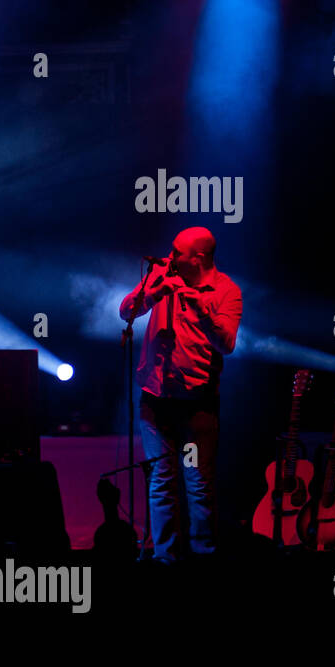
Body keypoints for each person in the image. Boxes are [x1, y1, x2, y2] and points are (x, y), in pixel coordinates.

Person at [118, 227, 242, 562]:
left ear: (198, 258)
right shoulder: (161, 273)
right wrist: (156, 293)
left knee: (198, 485)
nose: (170, 256)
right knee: (162, 481)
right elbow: (126, 311)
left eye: (178, 252)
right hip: (155, 401)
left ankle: (203, 557)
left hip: (196, 405)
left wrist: (198, 307)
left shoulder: (226, 290)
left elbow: (227, 344)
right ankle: (165, 559)